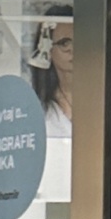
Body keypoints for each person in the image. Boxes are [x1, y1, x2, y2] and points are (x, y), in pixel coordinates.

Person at [27, 9, 74, 137]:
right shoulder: (37, 106)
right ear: (47, 49)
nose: (73, 49)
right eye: (65, 43)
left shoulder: (102, 98)